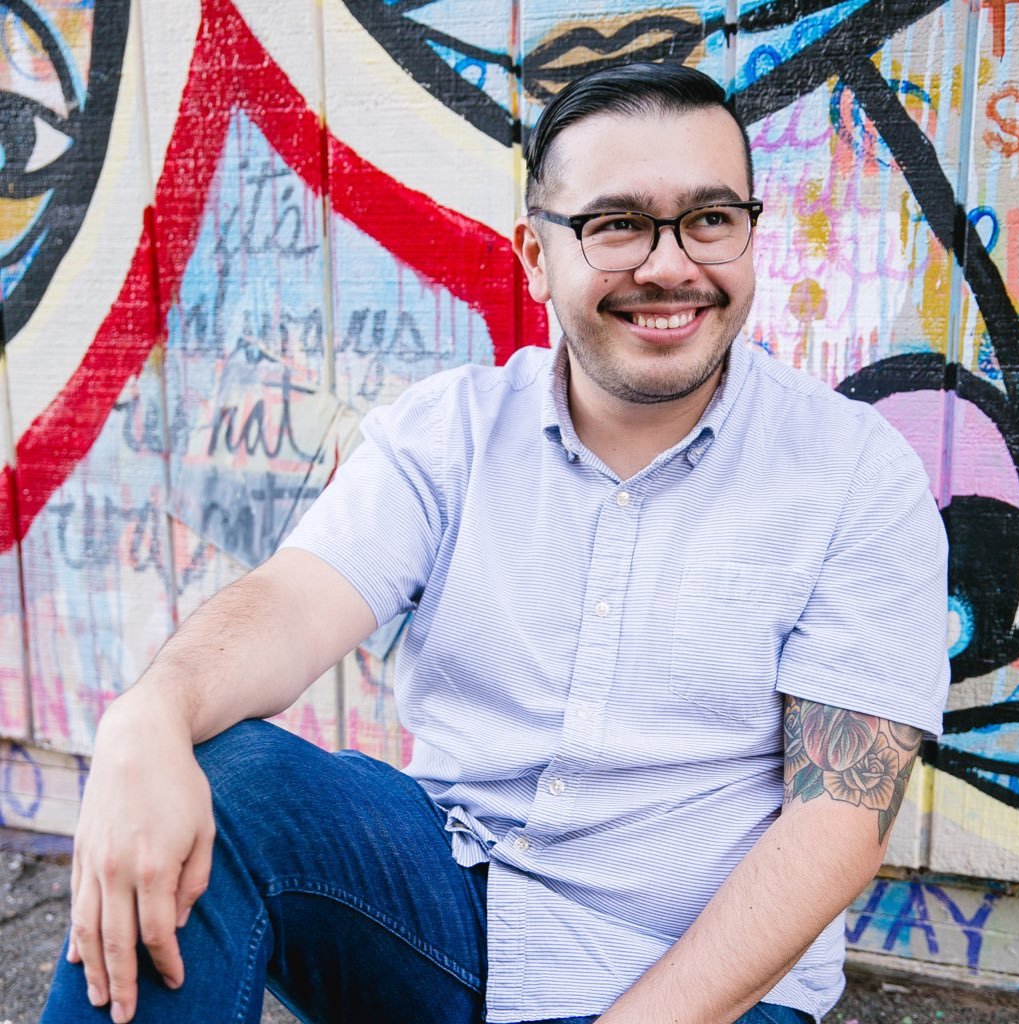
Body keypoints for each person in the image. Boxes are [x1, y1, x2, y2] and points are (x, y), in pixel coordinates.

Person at [42, 62, 949, 1024]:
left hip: (701, 979)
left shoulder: (854, 472)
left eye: (710, 219)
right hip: (453, 910)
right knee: (224, 785)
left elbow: (837, 822)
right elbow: (294, 604)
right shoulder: (452, 433)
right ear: (535, 254)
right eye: (617, 224)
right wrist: (146, 716)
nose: (671, 264)